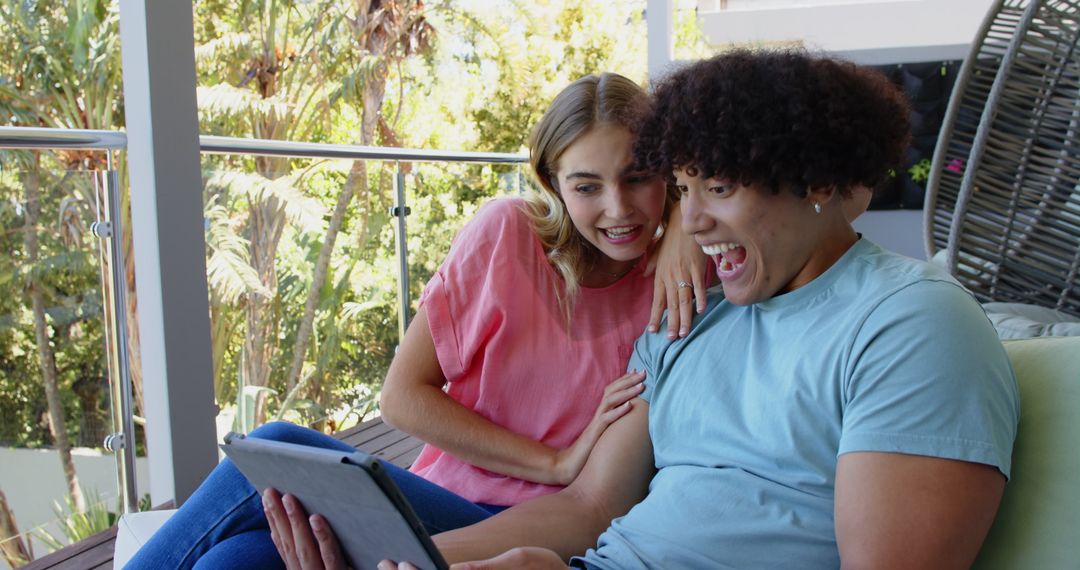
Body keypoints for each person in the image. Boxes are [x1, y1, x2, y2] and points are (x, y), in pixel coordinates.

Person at [280, 49, 1019, 569]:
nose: (688, 225)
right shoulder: (687, 320)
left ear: (818, 180)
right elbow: (588, 508)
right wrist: (412, 561)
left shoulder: (911, 324)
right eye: (684, 187)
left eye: (718, 190)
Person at [124, 72, 712, 569]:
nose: (619, 208)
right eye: (587, 186)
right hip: (436, 498)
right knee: (232, 561)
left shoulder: (683, 281)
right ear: (553, 184)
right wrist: (552, 460)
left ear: (668, 175)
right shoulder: (507, 235)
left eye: (638, 177)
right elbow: (403, 397)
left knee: (271, 449)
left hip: (535, 531)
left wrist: (686, 220)